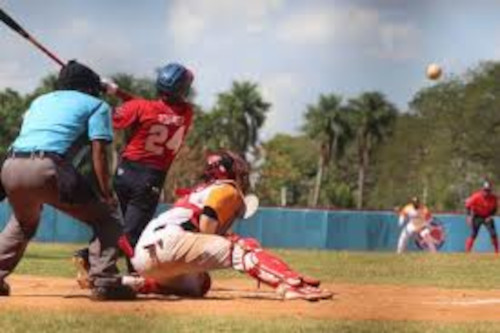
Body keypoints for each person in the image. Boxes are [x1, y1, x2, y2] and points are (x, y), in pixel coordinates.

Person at [0, 60, 135, 300]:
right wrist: (106, 193)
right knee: (107, 217)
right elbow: (99, 153)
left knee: (22, 223)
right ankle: (105, 281)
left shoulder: (39, 101)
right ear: (88, 87)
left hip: (10, 166)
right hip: (47, 167)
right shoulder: (96, 105)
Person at [119, 150, 332, 301]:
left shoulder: (200, 190)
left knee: (200, 283)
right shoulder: (227, 188)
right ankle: (291, 285)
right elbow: (206, 226)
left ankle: (133, 283)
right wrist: (232, 239)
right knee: (244, 247)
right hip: (171, 243)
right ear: (226, 171)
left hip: (146, 257)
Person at [73, 63, 194, 282]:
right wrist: (117, 90)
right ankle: (91, 259)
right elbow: (153, 107)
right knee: (133, 232)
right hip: (150, 178)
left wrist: (109, 91)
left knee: (118, 225)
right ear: (181, 90)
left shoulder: (141, 107)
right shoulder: (186, 113)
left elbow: (137, 108)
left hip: (124, 171)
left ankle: (130, 270)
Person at [464, 181, 498, 253]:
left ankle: (497, 252)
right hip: (477, 216)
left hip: (488, 216)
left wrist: (491, 216)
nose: (486, 192)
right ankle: (467, 251)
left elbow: (495, 209)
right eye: (485, 190)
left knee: (493, 233)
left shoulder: (493, 198)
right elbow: (467, 206)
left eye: (488, 190)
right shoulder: (476, 196)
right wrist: (469, 216)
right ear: (482, 189)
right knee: (474, 234)